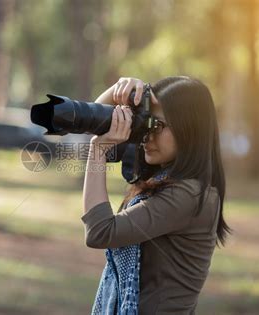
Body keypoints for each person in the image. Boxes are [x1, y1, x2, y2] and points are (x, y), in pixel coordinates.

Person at [81, 76, 232, 314]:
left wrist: (97, 150)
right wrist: (119, 89)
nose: (147, 135)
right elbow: (93, 122)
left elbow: (100, 232)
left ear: (188, 130)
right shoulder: (167, 177)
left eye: (157, 126)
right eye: (146, 123)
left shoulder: (188, 195)